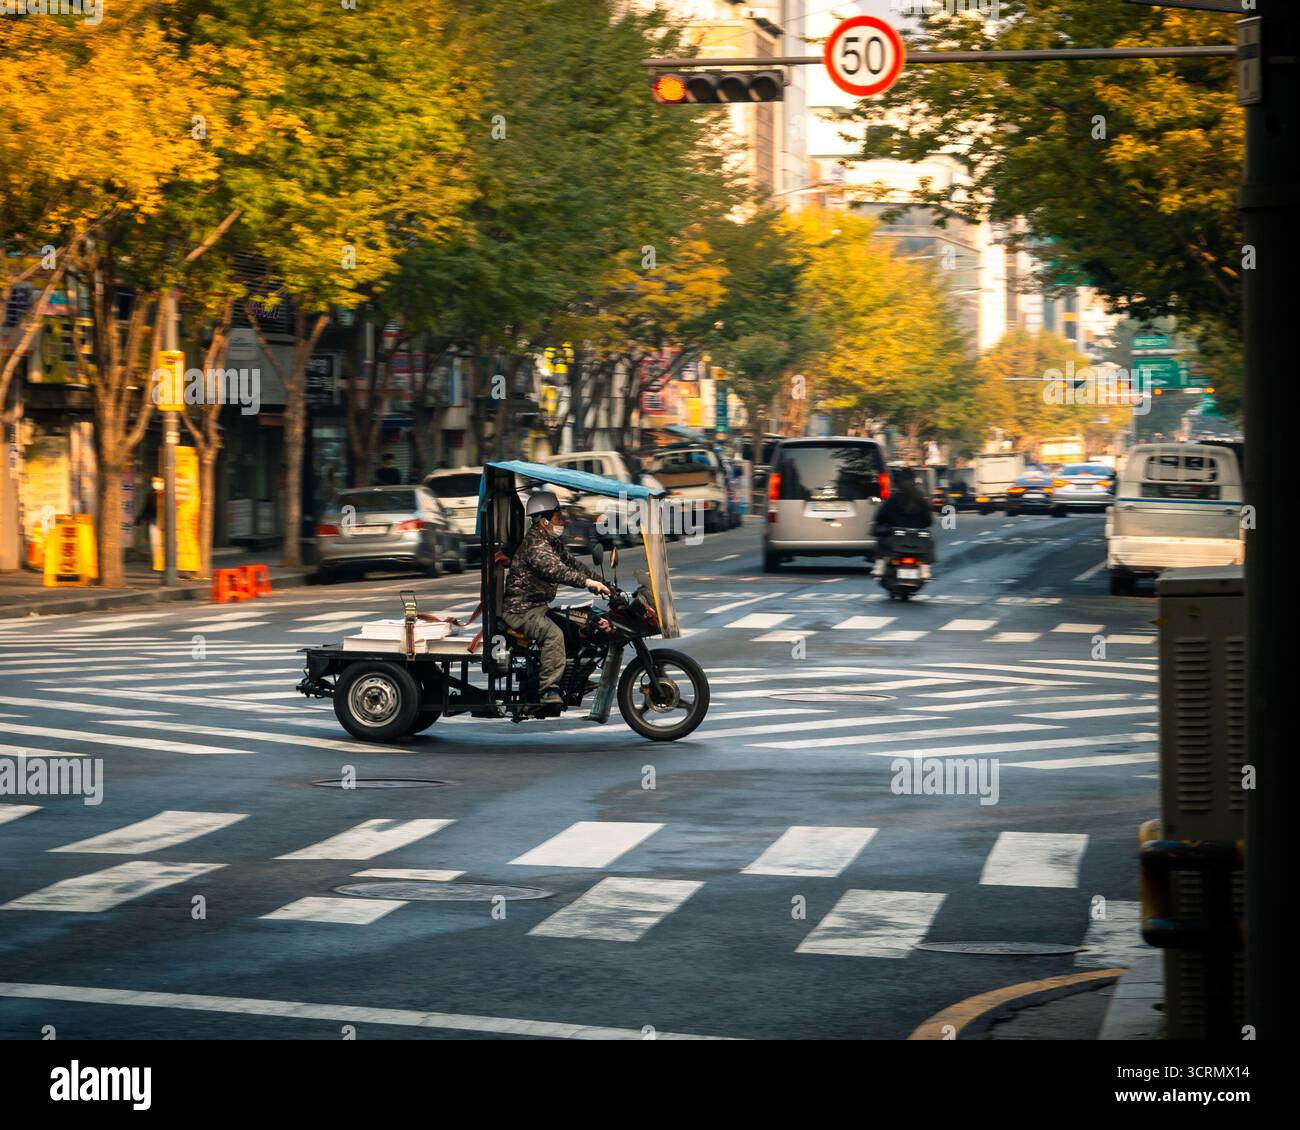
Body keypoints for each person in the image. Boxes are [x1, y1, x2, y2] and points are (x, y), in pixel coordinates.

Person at [502, 491, 610, 707]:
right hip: (521, 611)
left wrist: (603, 584)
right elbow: (557, 571)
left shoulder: (551, 543)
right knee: (553, 634)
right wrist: (587, 584)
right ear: (544, 521)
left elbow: (573, 565)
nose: (562, 522)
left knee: (578, 624)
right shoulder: (536, 545)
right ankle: (549, 690)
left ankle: (576, 677)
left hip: (538, 607)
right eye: (558, 518)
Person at [871, 467, 934, 578]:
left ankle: (879, 565)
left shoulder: (894, 497)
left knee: (881, 540)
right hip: (918, 542)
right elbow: (928, 521)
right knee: (930, 541)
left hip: (895, 540)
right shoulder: (921, 498)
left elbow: (881, 516)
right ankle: (925, 567)